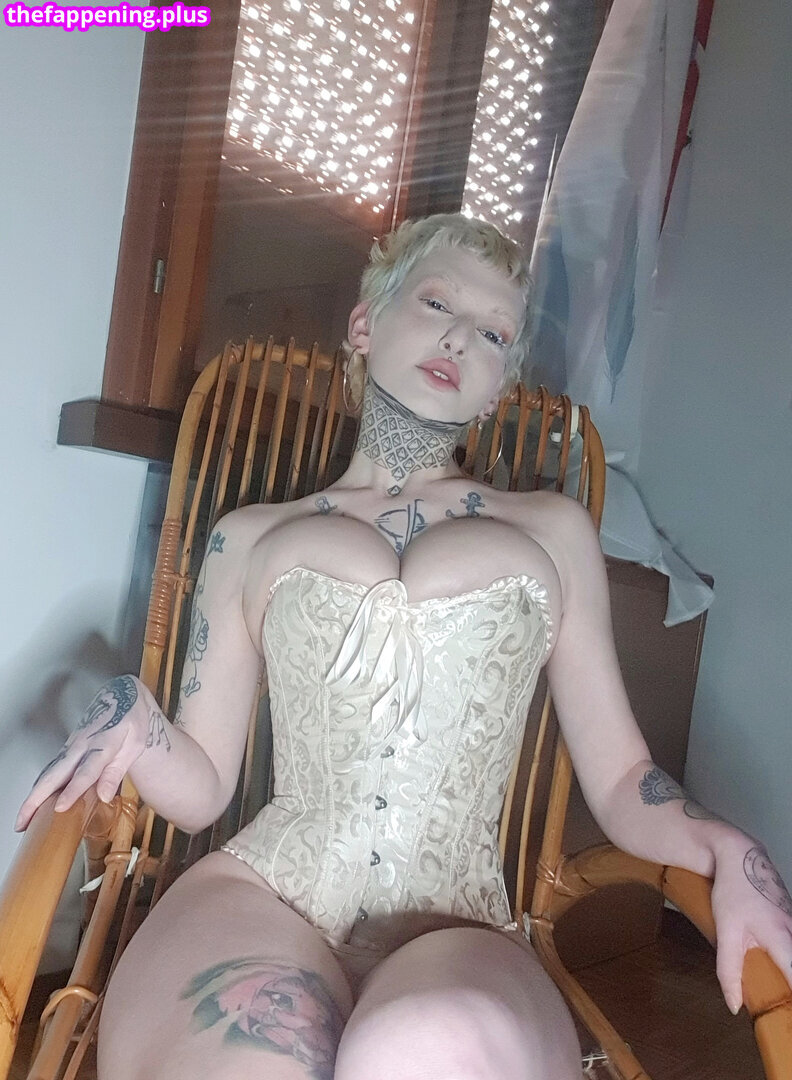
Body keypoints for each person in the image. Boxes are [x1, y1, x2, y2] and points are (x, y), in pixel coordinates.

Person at [16, 215, 792, 1080]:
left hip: (461, 926)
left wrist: (727, 847)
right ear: (364, 325)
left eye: (493, 334)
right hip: (264, 895)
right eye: (437, 303)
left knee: (418, 1049)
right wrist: (135, 714)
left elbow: (620, 780)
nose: (461, 337)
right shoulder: (248, 536)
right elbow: (201, 791)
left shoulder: (555, 530)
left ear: (496, 390)